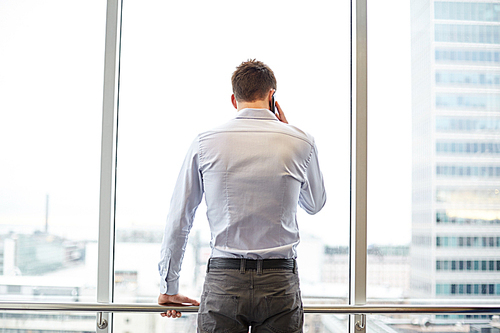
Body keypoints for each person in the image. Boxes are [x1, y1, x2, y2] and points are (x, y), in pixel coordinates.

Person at [158, 59, 326, 332]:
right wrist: (290, 134)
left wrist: (169, 286)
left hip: (224, 278)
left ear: (234, 99)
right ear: (272, 96)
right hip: (279, 280)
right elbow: (315, 204)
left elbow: (179, 218)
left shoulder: (205, 142)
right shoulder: (301, 141)